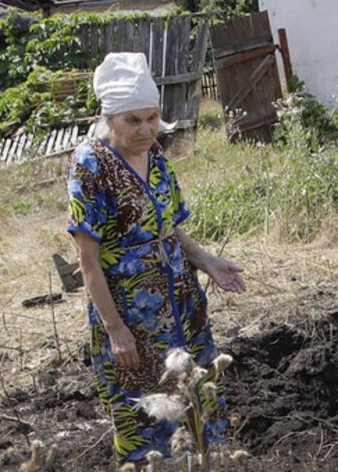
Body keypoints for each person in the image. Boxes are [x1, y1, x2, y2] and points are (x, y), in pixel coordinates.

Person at [66, 52, 245, 468]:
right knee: (146, 415)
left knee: (198, 397)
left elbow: (170, 226)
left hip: (182, 302)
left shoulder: (155, 154)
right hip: (133, 317)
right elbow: (86, 260)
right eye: (134, 120)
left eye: (152, 117)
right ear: (109, 117)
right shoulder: (90, 166)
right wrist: (116, 331)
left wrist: (206, 262)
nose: (146, 129)